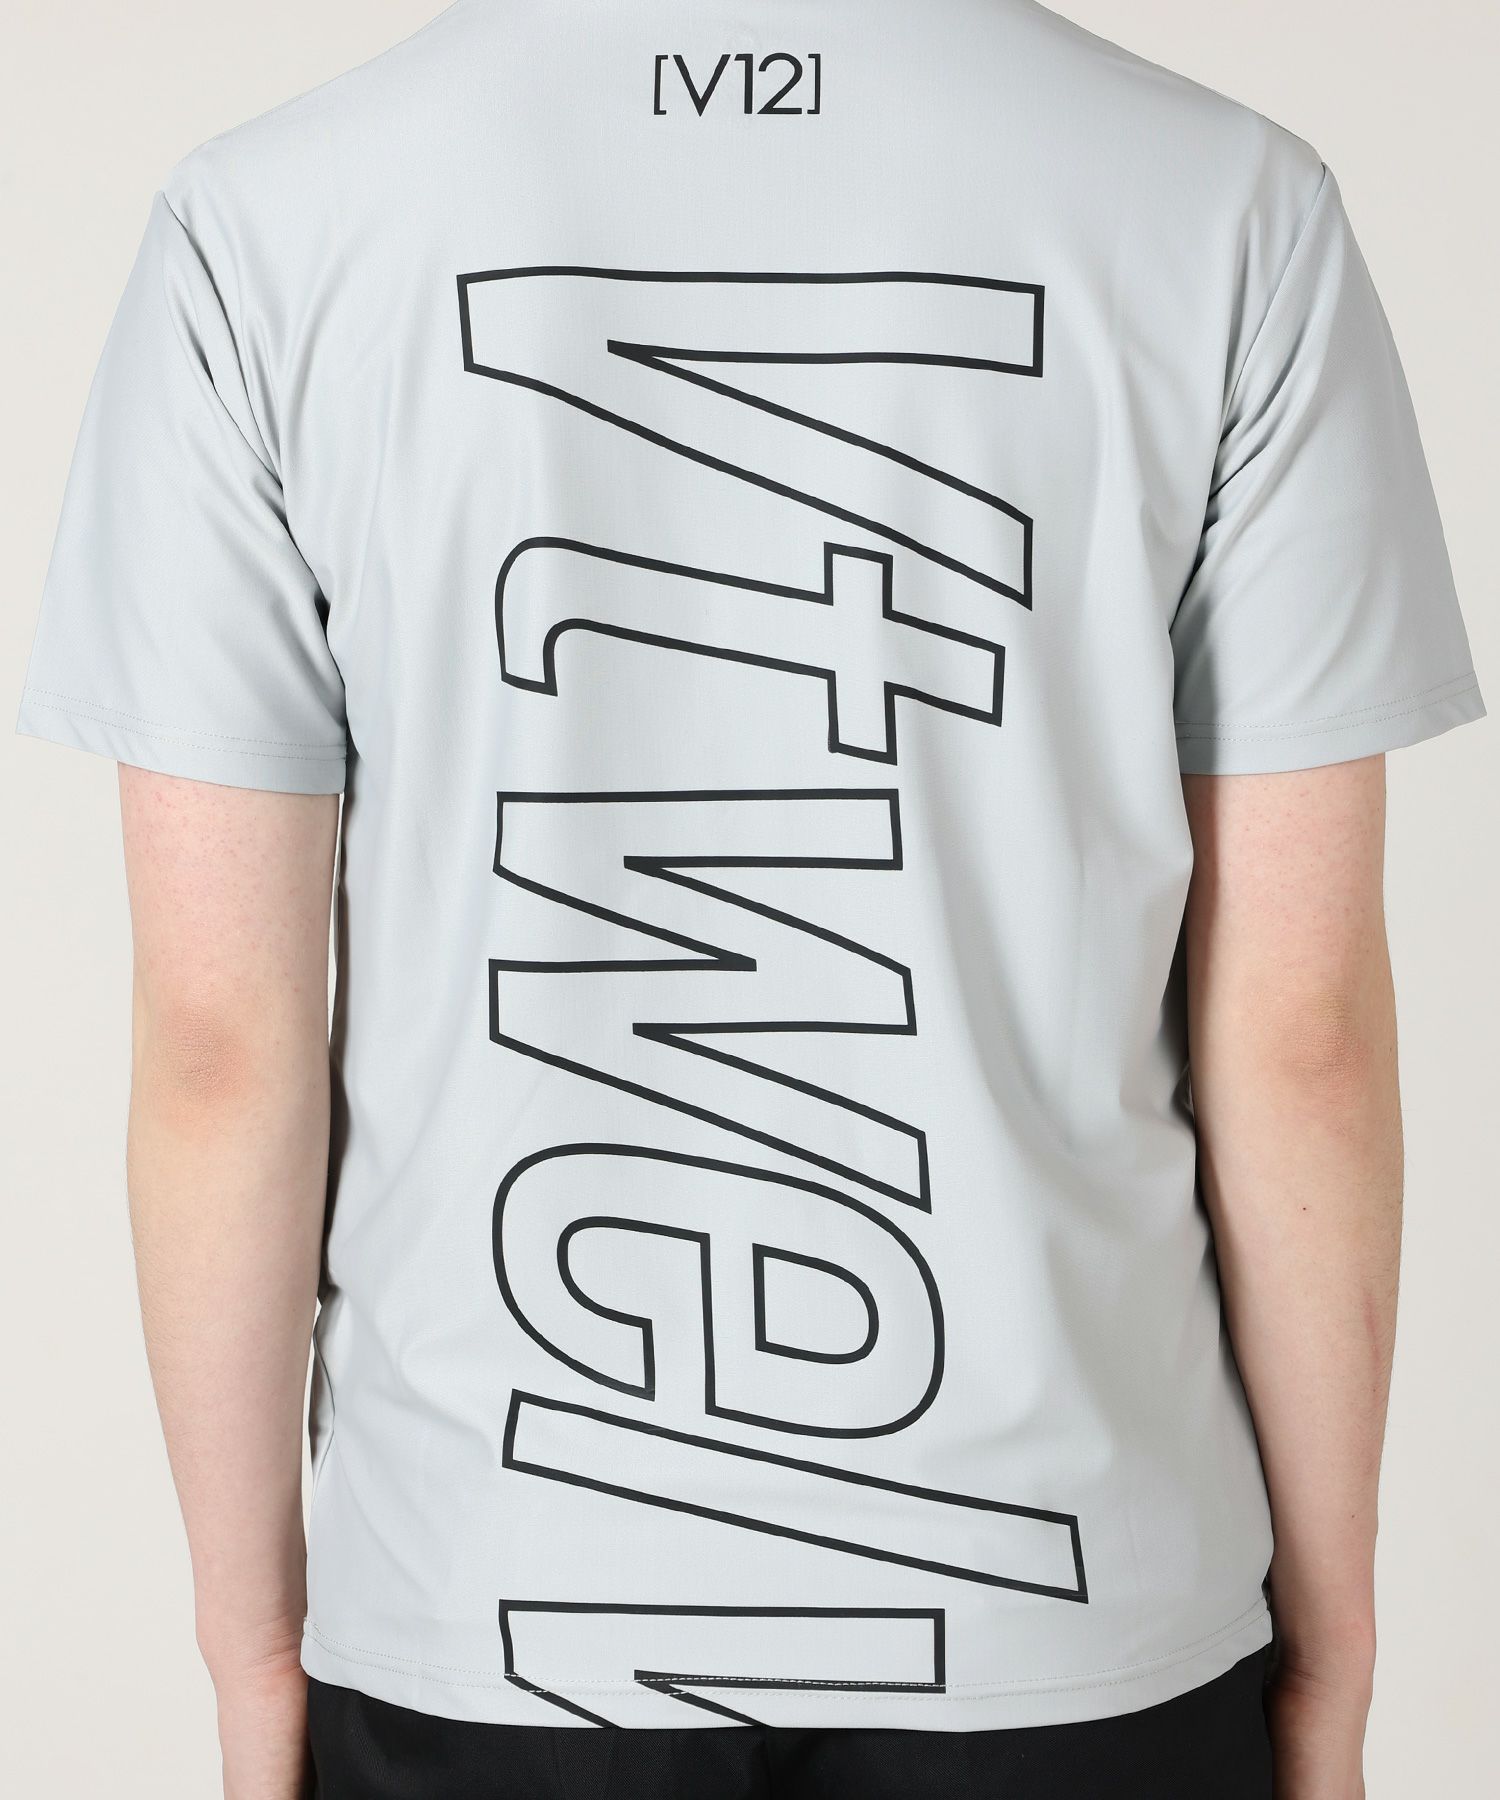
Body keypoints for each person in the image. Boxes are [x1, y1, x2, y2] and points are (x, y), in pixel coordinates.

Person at [17, 1, 1485, 1795]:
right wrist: (1331, 1642)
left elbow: (219, 1048)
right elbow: (1301, 1033)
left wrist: (256, 1652)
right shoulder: (1231, 208)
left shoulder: (264, 226)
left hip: (493, 1618)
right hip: (1073, 1622)